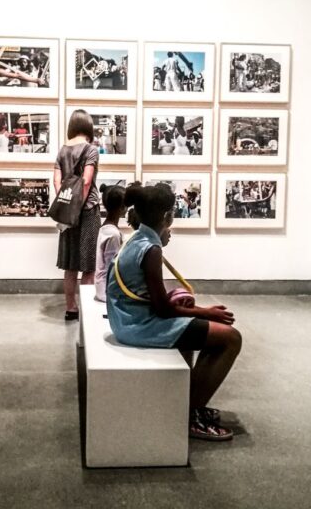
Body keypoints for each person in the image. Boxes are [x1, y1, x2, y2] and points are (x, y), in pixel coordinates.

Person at [106, 183, 242, 441]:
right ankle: (189, 413)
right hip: (139, 325)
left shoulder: (139, 239)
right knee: (231, 338)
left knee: (214, 337)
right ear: (168, 216)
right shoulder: (151, 248)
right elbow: (164, 309)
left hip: (126, 320)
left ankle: (191, 404)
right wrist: (207, 313)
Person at [54, 109, 101, 321]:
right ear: (88, 127)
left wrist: (67, 207)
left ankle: (71, 308)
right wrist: (78, 207)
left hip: (67, 213)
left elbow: (57, 181)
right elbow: (87, 181)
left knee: (70, 264)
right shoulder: (91, 150)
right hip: (88, 210)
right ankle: (86, 310)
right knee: (88, 264)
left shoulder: (63, 150)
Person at [94, 184, 126, 302]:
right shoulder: (113, 234)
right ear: (122, 207)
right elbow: (111, 268)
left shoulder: (106, 228)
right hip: (107, 291)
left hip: (102, 286)